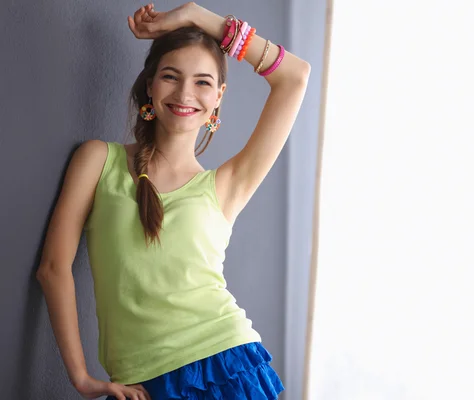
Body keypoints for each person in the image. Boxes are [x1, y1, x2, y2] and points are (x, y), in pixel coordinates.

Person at [35, 2, 310, 399]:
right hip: (141, 381)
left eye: (202, 82)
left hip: (226, 367)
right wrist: (81, 377)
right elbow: (53, 268)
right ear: (150, 84)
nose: (185, 93)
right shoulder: (98, 160)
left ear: (219, 96)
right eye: (170, 76)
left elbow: (295, 76)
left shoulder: (228, 184)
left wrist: (197, 16)